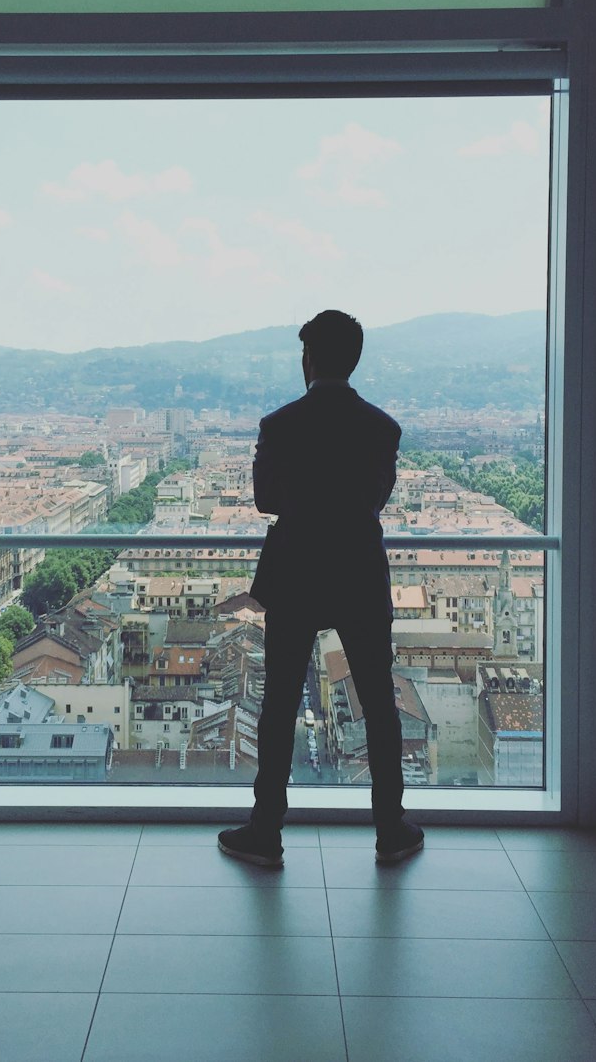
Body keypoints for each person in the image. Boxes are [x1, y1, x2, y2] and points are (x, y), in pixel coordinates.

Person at [218, 310, 424, 866]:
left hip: (297, 572)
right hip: (357, 568)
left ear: (307, 360)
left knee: (280, 703)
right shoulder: (383, 429)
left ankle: (267, 830)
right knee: (379, 702)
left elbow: (266, 500)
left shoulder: (279, 425)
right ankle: (390, 828)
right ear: (353, 360)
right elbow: (375, 499)